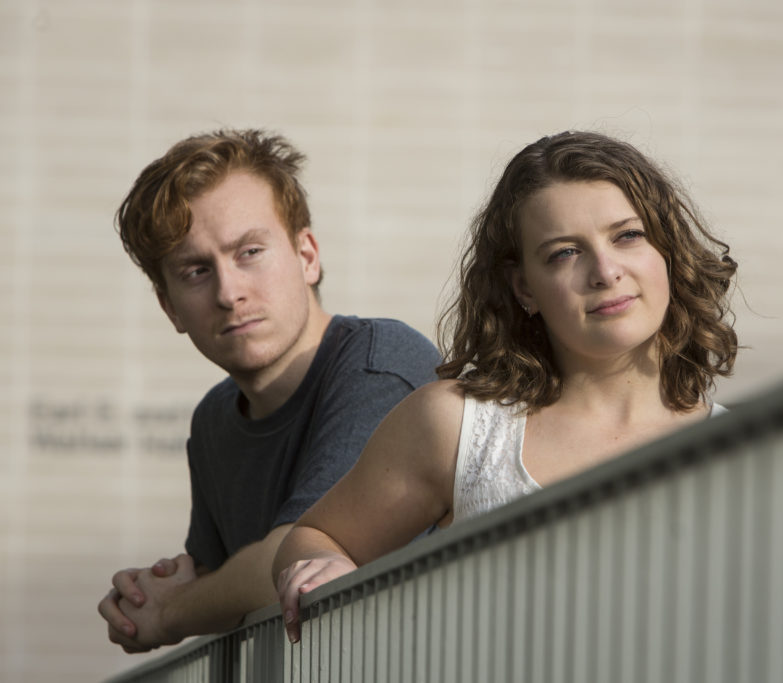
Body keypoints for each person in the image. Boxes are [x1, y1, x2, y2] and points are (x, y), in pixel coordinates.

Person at [272, 130, 739, 643]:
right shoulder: (458, 426)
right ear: (524, 288)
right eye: (564, 253)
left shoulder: (745, 450)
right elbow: (315, 539)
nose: (605, 271)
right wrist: (325, 571)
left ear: (666, 251)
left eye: (628, 235)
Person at [96, 129, 440, 652]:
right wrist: (146, 598)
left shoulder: (380, 365)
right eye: (195, 271)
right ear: (169, 308)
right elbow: (221, 588)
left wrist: (171, 614)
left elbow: (290, 559)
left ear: (307, 256)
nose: (229, 293)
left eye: (249, 251)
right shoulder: (214, 420)